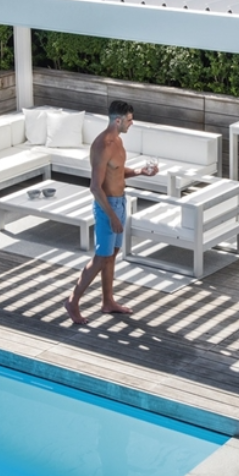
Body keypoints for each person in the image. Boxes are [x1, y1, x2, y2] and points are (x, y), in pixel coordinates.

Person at [64, 101, 158, 324]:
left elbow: (116, 173)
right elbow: (95, 187)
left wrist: (140, 171)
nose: (131, 123)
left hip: (120, 202)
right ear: (118, 120)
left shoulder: (118, 142)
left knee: (112, 254)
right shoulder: (103, 145)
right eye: (129, 120)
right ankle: (72, 301)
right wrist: (112, 216)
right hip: (107, 207)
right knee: (100, 258)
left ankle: (107, 302)